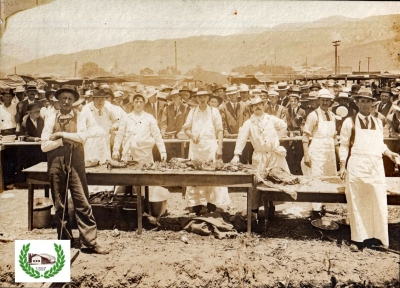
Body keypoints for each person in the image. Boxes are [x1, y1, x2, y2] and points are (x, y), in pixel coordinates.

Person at [41, 84, 108, 254]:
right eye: (63, 98)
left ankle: (90, 242)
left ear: (74, 101)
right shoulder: (50, 118)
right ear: (58, 99)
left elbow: (83, 137)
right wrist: (62, 142)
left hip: (76, 162)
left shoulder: (81, 117)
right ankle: (64, 242)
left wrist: (63, 135)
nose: (66, 101)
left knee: (82, 201)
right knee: (60, 203)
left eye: (70, 99)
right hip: (56, 163)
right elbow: (44, 146)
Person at [338, 88, 400, 252]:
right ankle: (357, 239)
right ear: (357, 103)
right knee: (358, 202)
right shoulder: (349, 122)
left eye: (368, 101)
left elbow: (380, 145)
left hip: (375, 167)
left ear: (373, 104)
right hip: (357, 166)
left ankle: (376, 237)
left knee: (377, 200)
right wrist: (342, 165)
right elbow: (343, 145)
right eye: (361, 101)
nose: (365, 104)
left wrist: (389, 153)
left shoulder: (378, 122)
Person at [231, 95, 288, 211]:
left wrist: (276, 139)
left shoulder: (270, 119)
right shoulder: (249, 123)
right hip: (260, 156)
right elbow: (241, 138)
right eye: (255, 105)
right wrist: (237, 155)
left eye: (260, 104)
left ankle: (272, 208)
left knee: (275, 181)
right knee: (257, 183)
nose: (258, 107)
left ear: (263, 106)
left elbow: (283, 126)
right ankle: (254, 211)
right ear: (251, 108)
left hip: (273, 155)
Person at [182, 87, 230, 215]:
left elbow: (219, 130)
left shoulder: (214, 112)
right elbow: (186, 128)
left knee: (212, 176)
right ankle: (196, 206)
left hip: (210, 147)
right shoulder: (192, 112)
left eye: (204, 97)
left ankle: (211, 206)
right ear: (196, 99)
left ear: (208, 98)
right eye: (199, 97)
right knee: (195, 176)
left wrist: (219, 147)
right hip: (196, 148)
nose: (202, 99)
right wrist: (192, 135)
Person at [301, 89, 338, 218]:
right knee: (316, 178)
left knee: (328, 179)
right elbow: (305, 136)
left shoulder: (333, 116)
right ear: (318, 101)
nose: (325, 103)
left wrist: (338, 155)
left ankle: (323, 207)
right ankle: (315, 211)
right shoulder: (313, 115)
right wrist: (306, 154)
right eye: (323, 100)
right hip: (316, 150)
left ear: (330, 102)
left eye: (327, 100)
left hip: (329, 151)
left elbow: (334, 137)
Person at [112, 91, 167, 164]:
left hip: (145, 155)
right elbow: (120, 135)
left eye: (141, 102)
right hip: (129, 154)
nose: (138, 104)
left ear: (144, 104)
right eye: (136, 102)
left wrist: (163, 151)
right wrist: (116, 150)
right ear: (133, 103)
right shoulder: (127, 118)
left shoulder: (149, 118)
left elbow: (157, 136)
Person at [81, 88, 124, 165]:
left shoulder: (106, 110)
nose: (100, 102)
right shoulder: (86, 110)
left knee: (105, 170)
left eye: (102, 99)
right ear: (93, 99)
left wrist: (113, 127)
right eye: (97, 99)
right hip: (91, 147)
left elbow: (118, 121)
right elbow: (81, 131)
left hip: (104, 146)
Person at [219, 86, 246, 163]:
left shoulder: (243, 106)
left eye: (234, 94)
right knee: (228, 161)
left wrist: (243, 134)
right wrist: (227, 134)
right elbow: (223, 123)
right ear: (228, 96)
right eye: (230, 95)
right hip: (228, 140)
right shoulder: (223, 107)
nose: (233, 96)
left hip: (241, 139)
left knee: (242, 161)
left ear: (238, 94)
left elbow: (246, 121)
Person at [160, 90, 190, 159]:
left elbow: (187, 123)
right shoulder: (166, 109)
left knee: (181, 156)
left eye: (177, 96)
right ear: (171, 99)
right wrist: (163, 132)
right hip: (169, 138)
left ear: (180, 97)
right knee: (169, 156)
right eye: (173, 97)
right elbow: (163, 123)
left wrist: (183, 134)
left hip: (181, 138)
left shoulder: (186, 109)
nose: (175, 98)